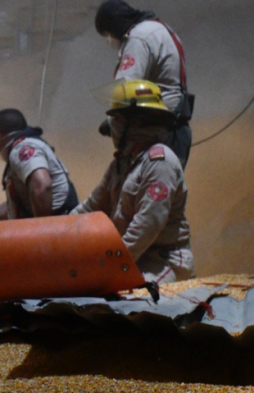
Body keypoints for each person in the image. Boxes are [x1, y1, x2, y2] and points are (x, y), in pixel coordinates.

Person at [71, 80, 193, 284]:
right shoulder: (122, 163)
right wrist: (60, 231)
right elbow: (92, 207)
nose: (112, 126)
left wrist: (113, 267)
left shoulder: (160, 162)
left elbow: (146, 226)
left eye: (116, 118)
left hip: (162, 262)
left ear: (135, 122)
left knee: (125, 302)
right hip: (134, 258)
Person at [95, 0, 193, 168]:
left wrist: (110, 122)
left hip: (158, 132)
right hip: (177, 129)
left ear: (114, 25)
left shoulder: (137, 39)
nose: (110, 40)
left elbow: (124, 91)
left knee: (144, 191)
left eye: (107, 34)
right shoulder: (160, 28)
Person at [0, 108, 78, 224]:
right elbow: (12, 209)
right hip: (61, 224)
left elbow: (42, 187)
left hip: (59, 227)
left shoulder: (22, 149)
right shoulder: (28, 146)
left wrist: (40, 232)